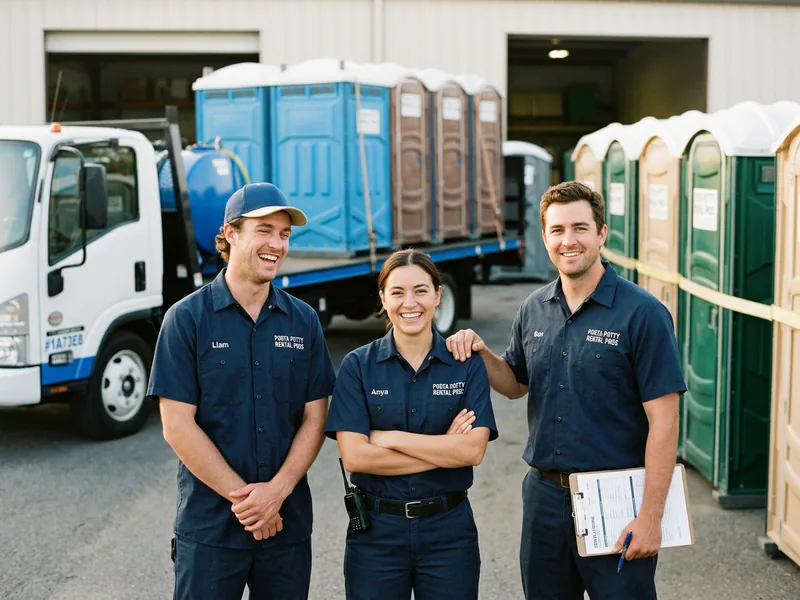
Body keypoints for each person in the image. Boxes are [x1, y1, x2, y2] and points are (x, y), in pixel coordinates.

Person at [446, 181, 687, 600]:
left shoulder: (643, 314)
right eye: (557, 230)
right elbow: (516, 384)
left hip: (615, 497)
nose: (568, 240)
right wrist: (483, 354)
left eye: (579, 228)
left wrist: (651, 516)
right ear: (545, 237)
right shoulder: (533, 307)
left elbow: (664, 424)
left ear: (601, 233)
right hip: (544, 497)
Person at [146, 182, 337, 600]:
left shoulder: (302, 321)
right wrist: (248, 502)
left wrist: (277, 492)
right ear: (231, 234)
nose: (277, 244)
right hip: (211, 527)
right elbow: (177, 426)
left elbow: (315, 416)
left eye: (284, 234)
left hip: (285, 526)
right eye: (264, 230)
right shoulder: (186, 320)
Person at [324, 249, 499, 600]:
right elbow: (358, 458)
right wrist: (445, 448)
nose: (410, 303)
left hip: (449, 532)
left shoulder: (465, 364)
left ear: (438, 295)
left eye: (421, 290)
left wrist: (390, 438)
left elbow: (472, 450)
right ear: (383, 299)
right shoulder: (358, 366)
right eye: (398, 292)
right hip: (376, 535)